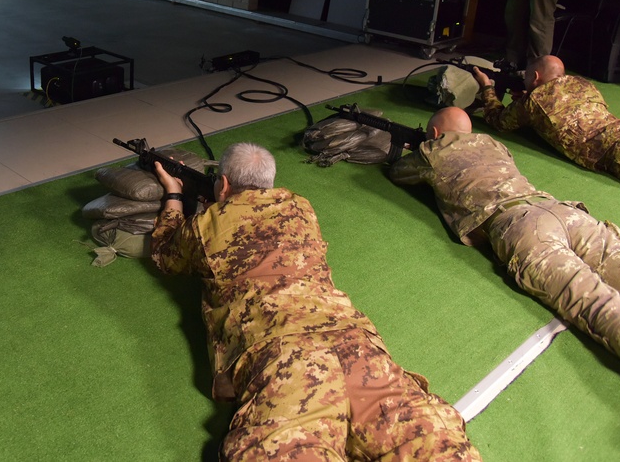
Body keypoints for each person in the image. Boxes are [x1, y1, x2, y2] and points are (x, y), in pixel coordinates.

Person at [151, 142, 481, 461]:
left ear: (222, 184)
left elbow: (166, 254)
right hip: (357, 343)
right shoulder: (300, 206)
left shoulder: (205, 226)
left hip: (283, 356)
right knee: (437, 446)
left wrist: (175, 196)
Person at [388, 107, 620, 391]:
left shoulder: (430, 152)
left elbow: (398, 172)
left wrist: (420, 146)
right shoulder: (493, 143)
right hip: (563, 211)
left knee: (594, 303)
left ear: (435, 134)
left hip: (520, 227)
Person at [474, 55, 620, 200]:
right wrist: (528, 102)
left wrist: (487, 88)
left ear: (535, 77)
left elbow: (497, 120)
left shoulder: (533, 102)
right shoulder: (582, 83)